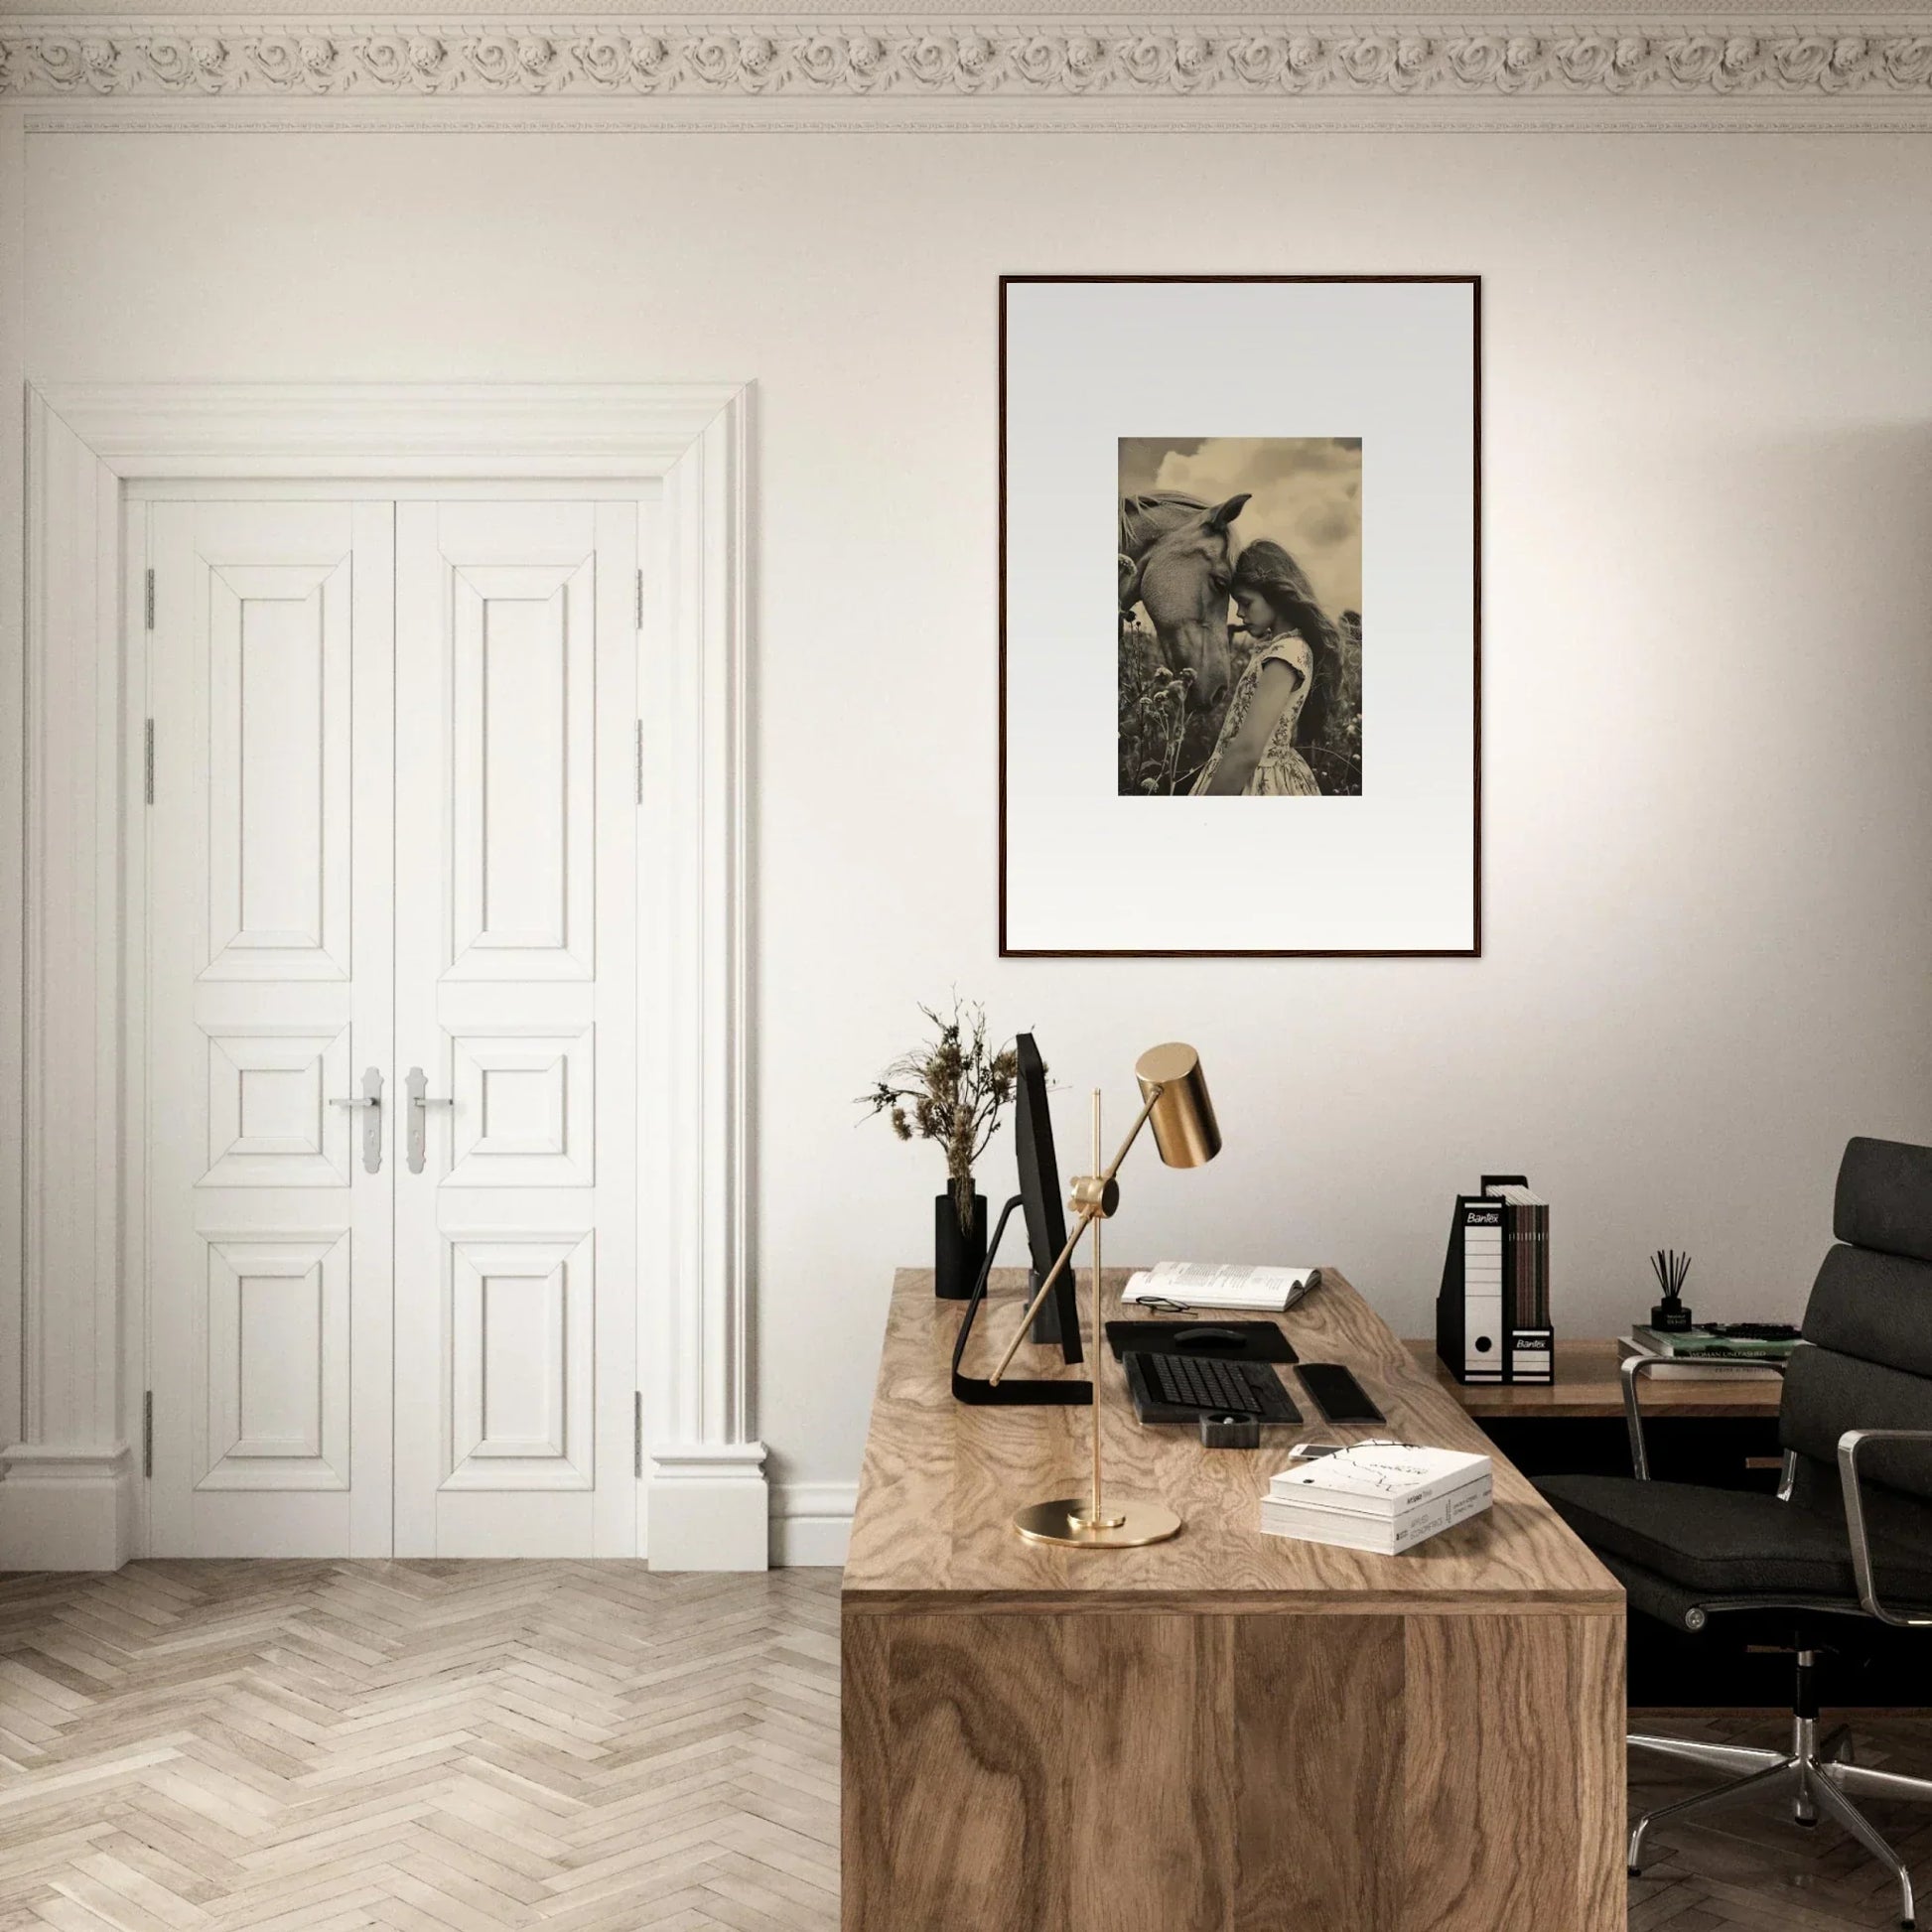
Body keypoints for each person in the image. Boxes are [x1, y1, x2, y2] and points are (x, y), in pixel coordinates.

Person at [1191, 539, 1337, 797]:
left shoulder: (1287, 653)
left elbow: (1247, 751)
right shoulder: (1280, 649)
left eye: (1246, 603)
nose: (1239, 613)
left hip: (1256, 780)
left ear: (1276, 596)